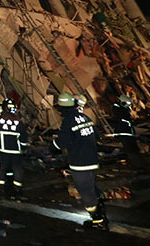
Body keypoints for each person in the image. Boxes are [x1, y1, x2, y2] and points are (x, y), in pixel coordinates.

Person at [52, 92, 107, 230]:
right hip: (93, 161)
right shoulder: (85, 117)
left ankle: (98, 221)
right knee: (92, 188)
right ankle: (101, 215)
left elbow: (62, 142)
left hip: (80, 164)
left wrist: (52, 146)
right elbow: (96, 135)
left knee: (86, 194)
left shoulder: (68, 122)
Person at [0, 98, 29, 200]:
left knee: (1, 170)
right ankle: (17, 190)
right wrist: (24, 148)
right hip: (16, 153)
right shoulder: (18, 122)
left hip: (2, 152)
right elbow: (23, 139)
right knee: (18, 171)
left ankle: (0, 189)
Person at [112, 95, 146, 172]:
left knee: (134, 150)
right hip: (124, 133)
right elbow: (119, 113)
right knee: (131, 151)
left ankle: (140, 165)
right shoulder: (118, 109)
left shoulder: (123, 109)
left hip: (128, 132)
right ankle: (138, 167)